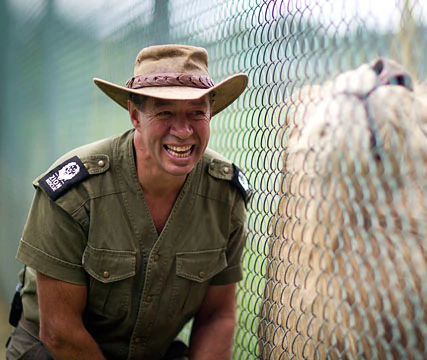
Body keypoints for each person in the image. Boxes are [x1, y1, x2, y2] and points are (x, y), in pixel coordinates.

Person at [6, 44, 252, 359]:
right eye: (165, 112)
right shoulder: (77, 191)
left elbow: (218, 316)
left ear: (210, 113)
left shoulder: (224, 194)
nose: (183, 130)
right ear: (136, 116)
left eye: (196, 112)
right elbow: (59, 331)